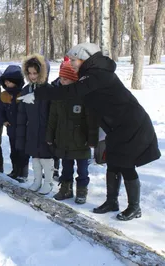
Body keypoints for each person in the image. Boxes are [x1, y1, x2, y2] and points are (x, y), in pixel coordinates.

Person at [34, 42, 161, 221]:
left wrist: (39, 93)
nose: (70, 63)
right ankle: (111, 201)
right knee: (113, 163)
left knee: (125, 164)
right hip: (116, 126)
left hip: (131, 124)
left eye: (73, 60)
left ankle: (134, 207)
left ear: (84, 58)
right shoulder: (90, 74)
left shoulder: (98, 75)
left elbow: (72, 91)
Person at [47, 59, 98, 204]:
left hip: (81, 140)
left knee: (82, 170)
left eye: (66, 79)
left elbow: (91, 119)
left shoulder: (84, 96)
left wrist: (92, 139)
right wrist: (50, 136)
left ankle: (82, 190)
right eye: (61, 78)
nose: (62, 81)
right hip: (63, 140)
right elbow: (53, 118)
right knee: (66, 168)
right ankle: (66, 189)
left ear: (74, 79)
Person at [16, 54, 54, 194]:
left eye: (35, 73)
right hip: (32, 130)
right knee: (36, 158)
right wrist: (21, 134)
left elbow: (53, 114)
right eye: (30, 73)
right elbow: (22, 115)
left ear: (42, 72)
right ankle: (37, 180)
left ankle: (48, 182)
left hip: (45, 131)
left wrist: (52, 133)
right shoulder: (26, 90)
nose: (32, 76)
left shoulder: (49, 90)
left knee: (46, 158)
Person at [0, 65, 29, 181]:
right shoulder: (4, 95)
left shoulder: (23, 94)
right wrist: (3, 121)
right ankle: (15, 170)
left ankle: (23, 173)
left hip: (23, 129)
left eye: (10, 82)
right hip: (11, 128)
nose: (7, 84)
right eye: (6, 82)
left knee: (23, 152)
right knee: (13, 151)